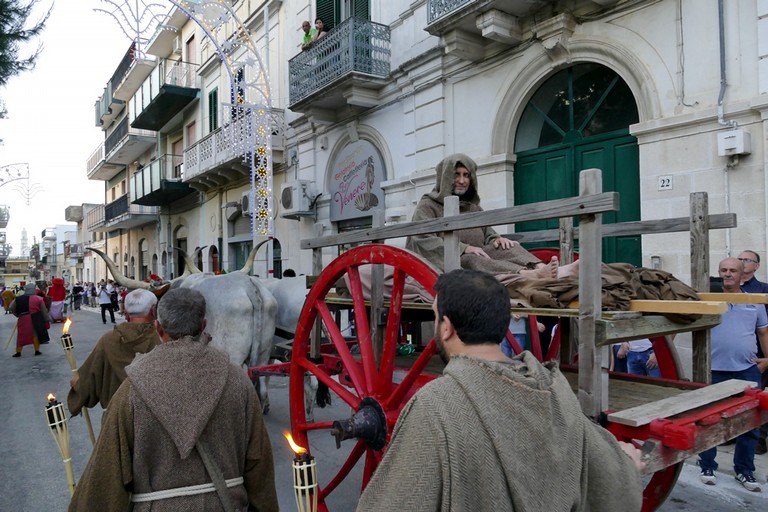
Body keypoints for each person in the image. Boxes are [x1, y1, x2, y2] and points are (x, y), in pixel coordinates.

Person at [356, 269, 644, 511]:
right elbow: (612, 478)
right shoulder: (555, 390)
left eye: (435, 316)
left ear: (446, 327)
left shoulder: (436, 405)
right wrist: (626, 465)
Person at [68, 288, 279, 511]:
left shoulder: (129, 393)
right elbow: (259, 463)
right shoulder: (239, 382)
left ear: (158, 328)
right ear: (203, 325)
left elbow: (108, 474)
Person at [405, 153, 578, 279]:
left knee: (508, 247)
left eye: (466, 175)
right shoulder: (428, 205)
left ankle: (544, 268)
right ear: (445, 177)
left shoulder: (474, 207)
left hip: (480, 255)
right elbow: (422, 240)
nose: (462, 180)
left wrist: (496, 239)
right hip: (447, 264)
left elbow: (488, 233)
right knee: (474, 258)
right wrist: (463, 248)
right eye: (456, 174)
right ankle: (530, 275)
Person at [697, 257, 768, 492]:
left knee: (750, 424)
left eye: (732, 270)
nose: (727, 274)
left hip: (747, 370)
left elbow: (763, 332)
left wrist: (767, 359)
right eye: (723, 270)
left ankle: (745, 471)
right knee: (710, 422)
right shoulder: (708, 299)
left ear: (742, 274)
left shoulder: (753, 300)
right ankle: (707, 465)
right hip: (713, 370)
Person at [67, 289, 161, 418]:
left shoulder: (108, 339)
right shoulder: (163, 338)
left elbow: (86, 384)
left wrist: (77, 385)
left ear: (126, 313)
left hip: (116, 419)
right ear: (153, 310)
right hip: (155, 419)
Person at [737, 249, 768, 454]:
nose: (742, 263)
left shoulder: (763, 290)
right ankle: (733, 434)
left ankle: (760, 437)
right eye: (739, 259)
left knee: (759, 397)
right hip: (736, 356)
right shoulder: (724, 289)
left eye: (746, 260)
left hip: (759, 355)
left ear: (756, 266)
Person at [9, 283, 50, 357]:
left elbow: (11, 307)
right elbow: (43, 310)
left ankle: (18, 352)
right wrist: (46, 319)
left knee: (21, 335)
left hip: (23, 318)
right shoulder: (39, 299)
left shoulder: (18, 299)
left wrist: (18, 315)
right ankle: (37, 351)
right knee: (35, 335)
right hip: (36, 318)